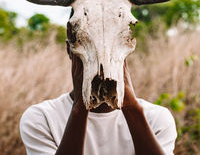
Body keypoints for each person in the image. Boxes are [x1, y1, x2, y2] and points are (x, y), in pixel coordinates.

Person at [20, 33, 177, 155]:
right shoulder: (41, 118)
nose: (100, 57)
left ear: (127, 48)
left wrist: (129, 105)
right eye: (86, 44)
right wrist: (81, 104)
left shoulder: (156, 117)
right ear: (70, 50)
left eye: (111, 46)